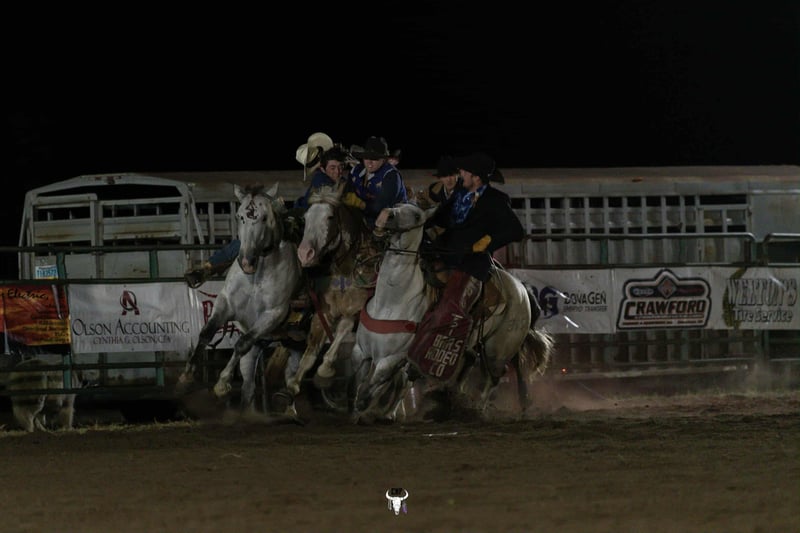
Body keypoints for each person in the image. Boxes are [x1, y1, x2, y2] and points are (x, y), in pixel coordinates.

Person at [408, 152, 523, 379]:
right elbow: (440, 217)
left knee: (452, 305)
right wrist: (417, 222)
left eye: (464, 172)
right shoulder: (460, 193)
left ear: (476, 177)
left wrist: (489, 240)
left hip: (471, 262)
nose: (460, 175)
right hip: (444, 252)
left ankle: (438, 356)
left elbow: (516, 230)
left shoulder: (495, 200)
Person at [184, 132, 343, 288]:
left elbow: (312, 207)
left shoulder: (321, 180)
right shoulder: (327, 182)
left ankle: (209, 266)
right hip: (304, 220)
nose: (337, 171)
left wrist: (293, 211)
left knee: (253, 237)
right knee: (257, 235)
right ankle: (211, 266)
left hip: (303, 222)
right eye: (333, 167)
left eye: (338, 167)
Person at [347, 136, 408, 228]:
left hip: (392, 223)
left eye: (375, 158)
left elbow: (380, 207)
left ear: (383, 160)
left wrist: (360, 204)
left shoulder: (391, 175)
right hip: (361, 219)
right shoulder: (355, 171)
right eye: (366, 157)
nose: (369, 162)